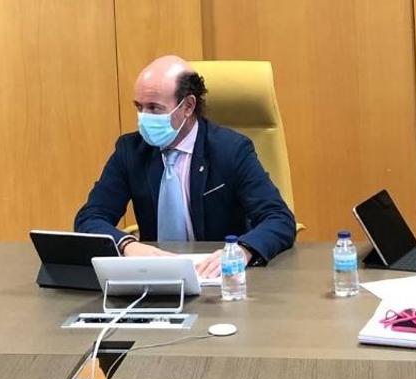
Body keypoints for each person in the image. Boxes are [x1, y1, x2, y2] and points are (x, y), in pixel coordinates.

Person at [74, 55, 296, 276]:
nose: (143, 118)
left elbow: (279, 218)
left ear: (188, 106)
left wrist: (242, 251)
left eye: (154, 108)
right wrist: (126, 245)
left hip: (218, 277)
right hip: (154, 277)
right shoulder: (131, 151)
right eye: (139, 107)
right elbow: (90, 217)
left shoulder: (231, 150)